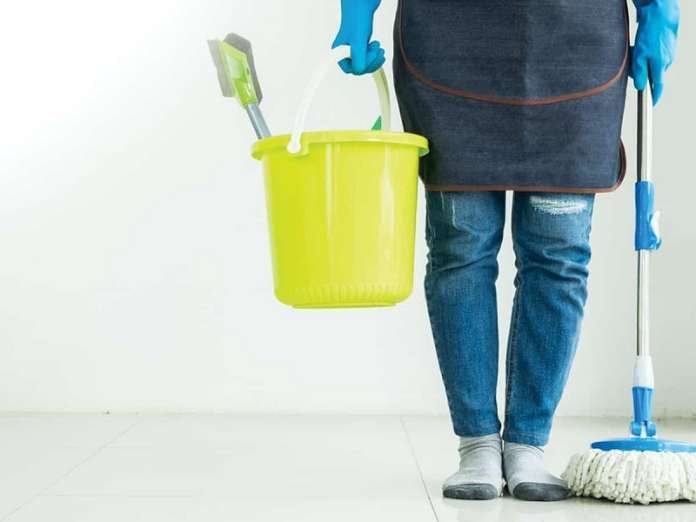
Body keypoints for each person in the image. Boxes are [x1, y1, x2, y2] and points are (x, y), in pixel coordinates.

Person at [333, 0, 680, 502]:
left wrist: (660, 7)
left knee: (558, 256)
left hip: (576, 43)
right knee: (461, 249)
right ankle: (476, 442)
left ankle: (527, 443)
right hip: (450, 41)